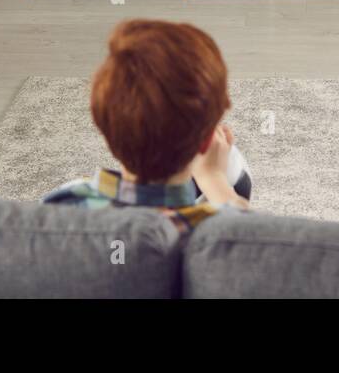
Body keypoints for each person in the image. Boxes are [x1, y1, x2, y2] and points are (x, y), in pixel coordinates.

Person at [45, 19, 250, 234]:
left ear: (103, 125)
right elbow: (251, 234)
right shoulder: (223, 234)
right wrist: (213, 178)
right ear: (207, 141)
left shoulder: (59, 210)